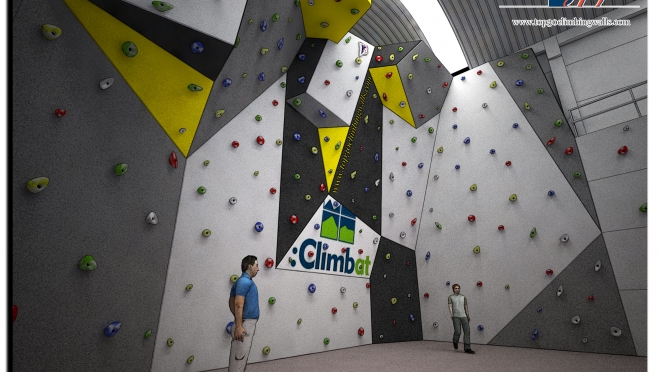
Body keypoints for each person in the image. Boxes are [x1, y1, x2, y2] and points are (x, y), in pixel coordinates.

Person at [228, 255, 260, 371]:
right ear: (249, 266)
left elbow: (231, 301)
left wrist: (238, 320)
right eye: (256, 265)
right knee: (239, 357)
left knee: (241, 356)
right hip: (244, 325)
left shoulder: (243, 282)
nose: (258, 268)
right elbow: (237, 303)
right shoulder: (244, 282)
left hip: (245, 323)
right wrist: (239, 325)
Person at [448, 283, 475, 354]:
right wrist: (451, 314)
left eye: (458, 288)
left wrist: (468, 315)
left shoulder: (463, 297)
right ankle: (455, 341)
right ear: (453, 289)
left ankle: (467, 348)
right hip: (456, 316)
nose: (457, 289)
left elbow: (466, 307)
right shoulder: (451, 297)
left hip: (464, 316)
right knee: (458, 332)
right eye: (456, 288)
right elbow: (450, 306)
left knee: (467, 331)